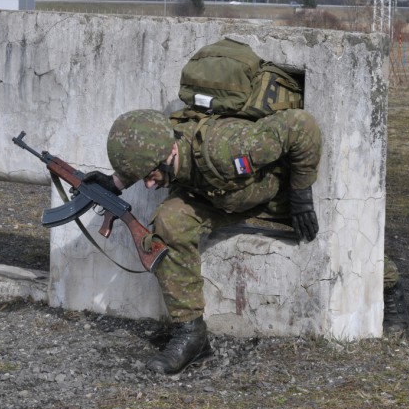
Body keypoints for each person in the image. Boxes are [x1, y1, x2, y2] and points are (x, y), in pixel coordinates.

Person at [84, 108, 322, 374]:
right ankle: (192, 334)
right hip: (217, 199)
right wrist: (116, 182)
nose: (149, 186)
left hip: (265, 200)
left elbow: (302, 125)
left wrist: (301, 195)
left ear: (171, 152)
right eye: (144, 178)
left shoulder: (228, 146)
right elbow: (148, 157)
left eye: (151, 176)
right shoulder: (163, 148)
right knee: (169, 221)